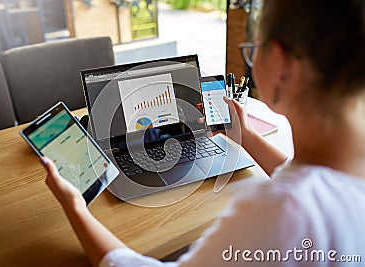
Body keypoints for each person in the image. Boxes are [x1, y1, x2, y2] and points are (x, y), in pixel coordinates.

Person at [40, 0, 365, 266]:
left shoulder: (282, 211)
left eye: (254, 49)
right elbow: (317, 182)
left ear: (281, 64)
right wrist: (246, 136)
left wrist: (75, 208)